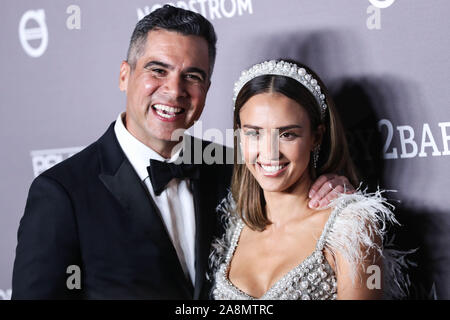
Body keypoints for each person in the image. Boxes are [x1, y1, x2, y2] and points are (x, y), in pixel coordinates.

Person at [12, 6, 353, 299]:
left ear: (206, 88)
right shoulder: (62, 194)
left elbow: (296, 203)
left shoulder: (235, 169)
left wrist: (334, 189)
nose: (174, 91)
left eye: (192, 76)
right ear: (124, 75)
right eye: (157, 70)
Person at [210, 60, 411, 300]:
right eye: (254, 133)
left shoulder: (352, 228)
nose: (269, 152)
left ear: (316, 136)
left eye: (287, 134)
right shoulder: (234, 227)